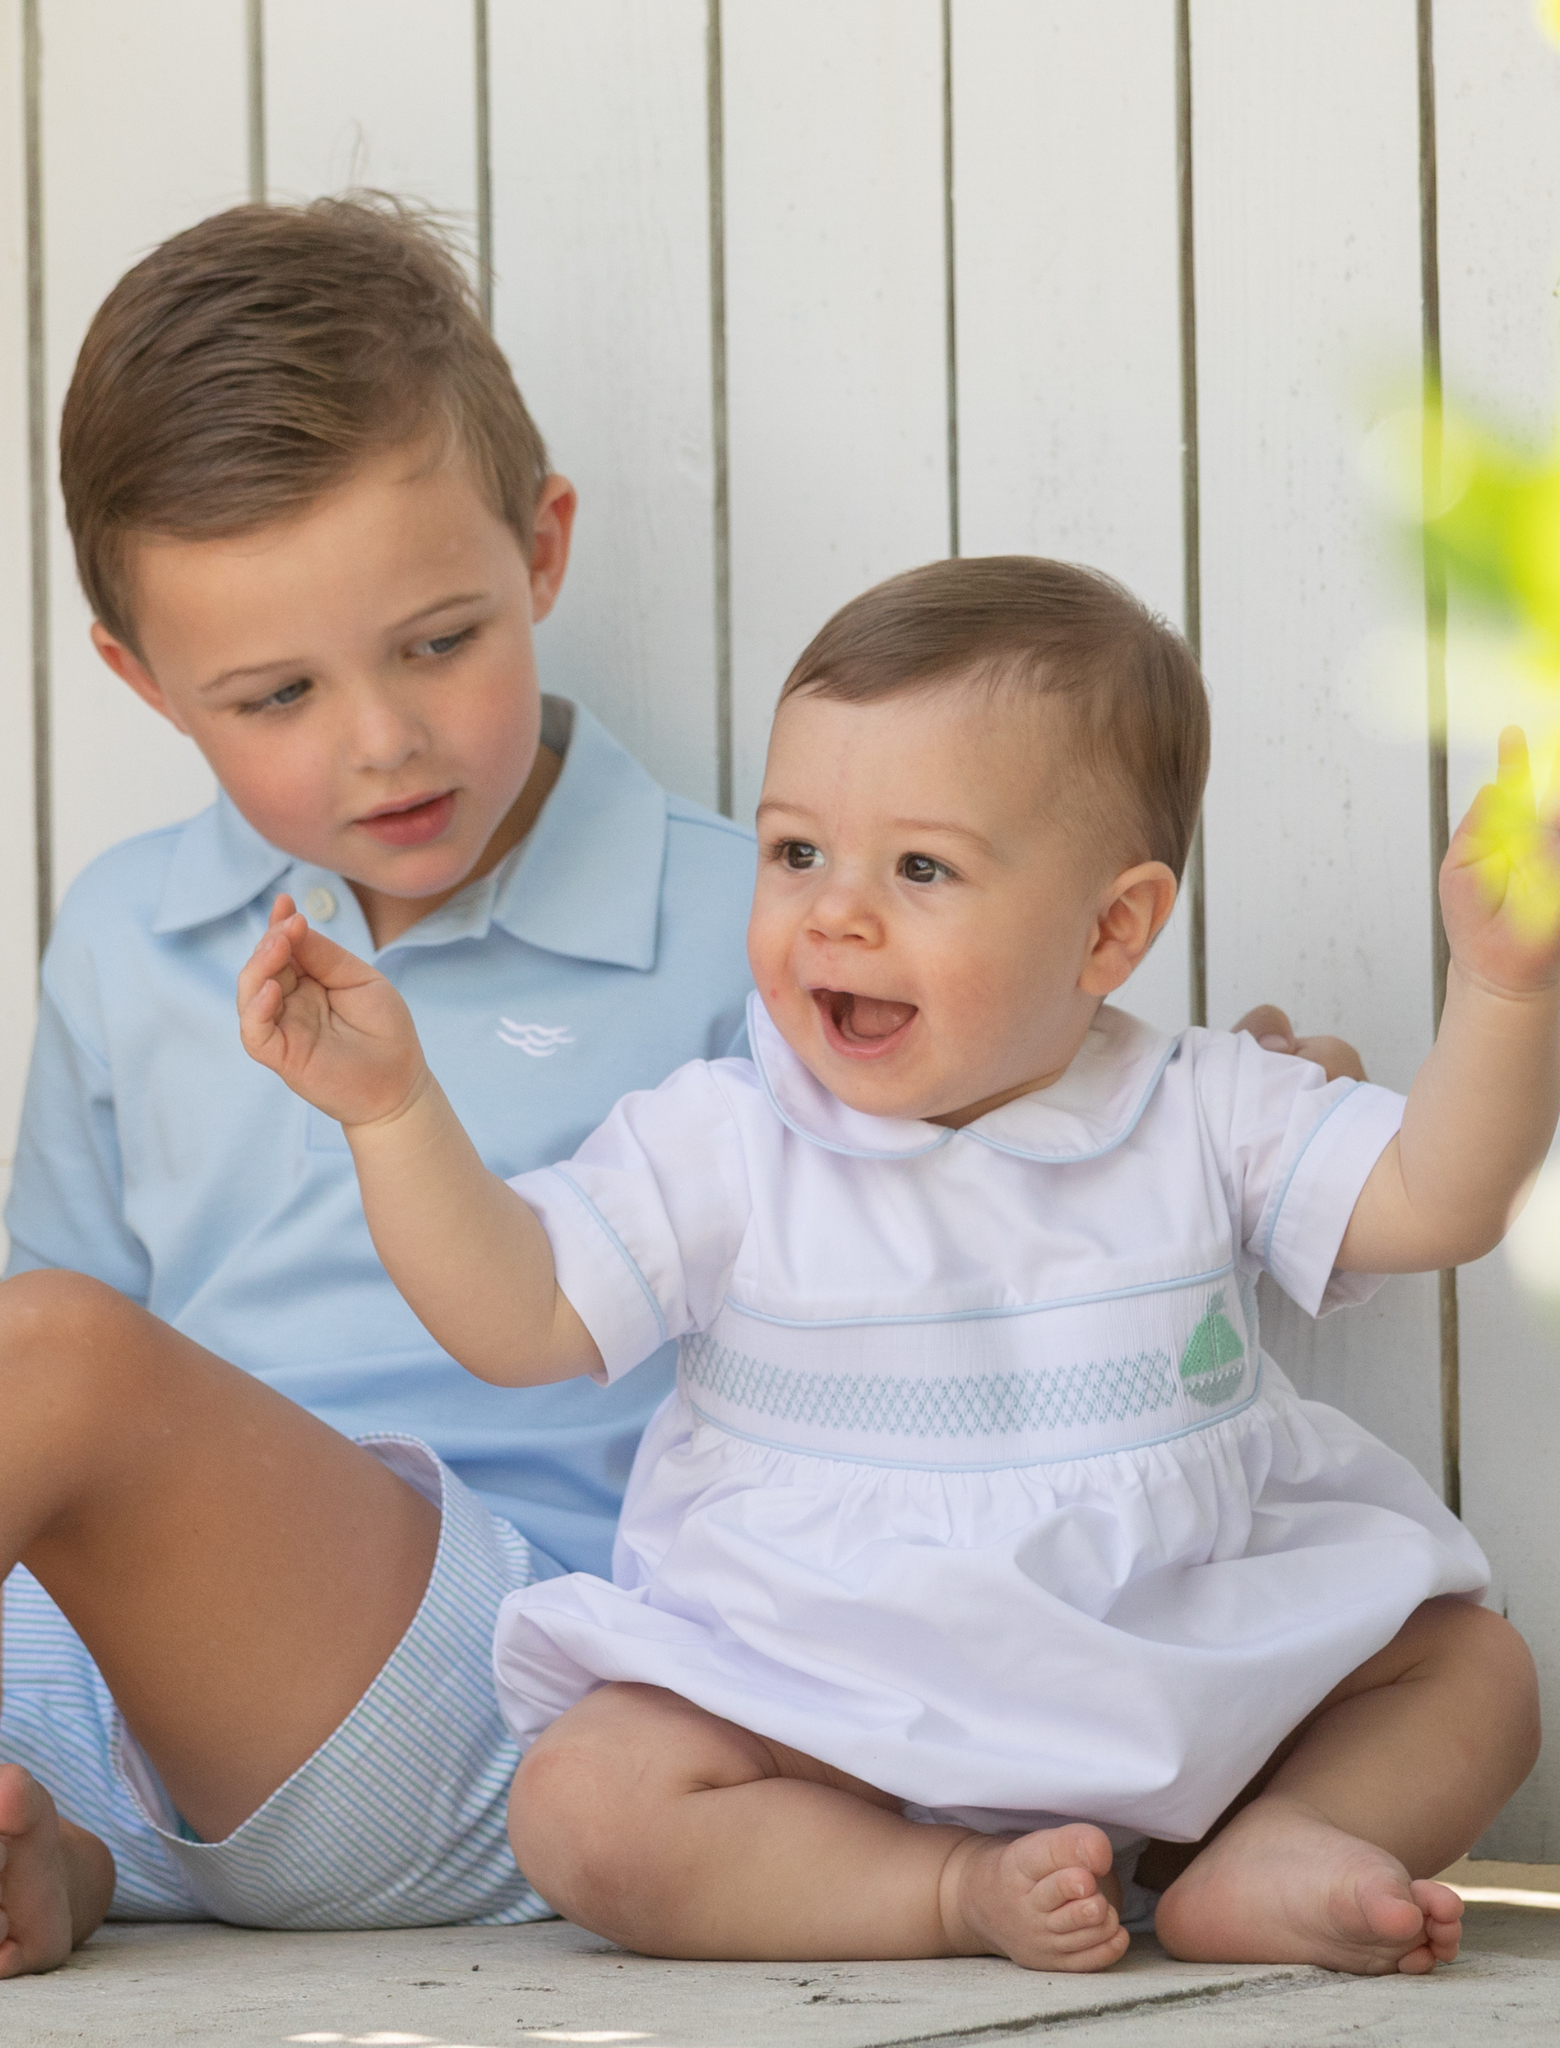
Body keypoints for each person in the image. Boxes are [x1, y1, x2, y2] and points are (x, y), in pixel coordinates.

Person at [0, 201, 1360, 1981]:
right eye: (275, 696)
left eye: (439, 643)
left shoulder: (767, 928)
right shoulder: (130, 936)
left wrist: (1220, 1104)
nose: (382, 740)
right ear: (144, 682)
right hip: (119, 1674)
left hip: (500, 1694)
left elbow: (992, 1177)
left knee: (61, 1359)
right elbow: (5, 1405)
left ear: (540, 550)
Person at [235, 555, 1543, 1978]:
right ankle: (946, 1890)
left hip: (1189, 1667)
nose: (835, 914)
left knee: (1473, 1671)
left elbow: (1435, 1199)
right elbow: (521, 1314)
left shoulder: (1202, 1106)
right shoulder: (728, 1140)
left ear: (1112, 927)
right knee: (586, 1802)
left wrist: (1504, 984)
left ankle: (1278, 1839)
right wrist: (395, 1115)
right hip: (832, 1708)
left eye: (920, 870)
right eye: (797, 853)